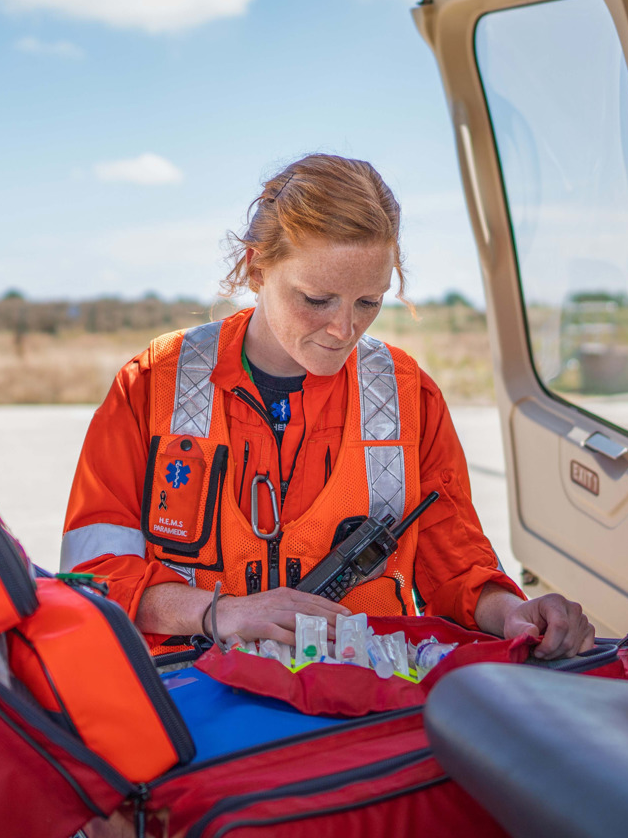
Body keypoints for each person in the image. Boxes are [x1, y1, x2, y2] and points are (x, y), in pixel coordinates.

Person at [60, 154, 596, 659]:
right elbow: (91, 574)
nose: (344, 330)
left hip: (363, 703)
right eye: (316, 299)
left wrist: (518, 612)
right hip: (194, 694)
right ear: (255, 268)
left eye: (369, 302)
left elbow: (457, 568)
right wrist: (218, 613)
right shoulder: (152, 384)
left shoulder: (411, 397)